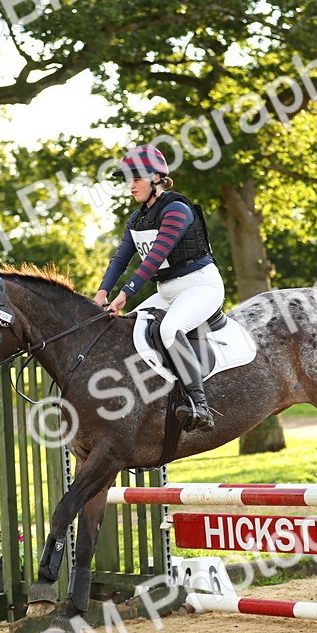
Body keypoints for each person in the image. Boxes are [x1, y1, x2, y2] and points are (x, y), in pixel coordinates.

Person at [96, 144, 224, 431]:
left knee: (169, 329)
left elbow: (154, 258)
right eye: (127, 180)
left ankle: (200, 405)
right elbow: (120, 259)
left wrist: (125, 294)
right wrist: (102, 292)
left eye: (136, 179)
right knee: (125, 331)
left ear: (156, 178)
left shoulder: (177, 209)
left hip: (200, 286)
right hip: (167, 291)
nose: (130, 186)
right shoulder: (137, 218)